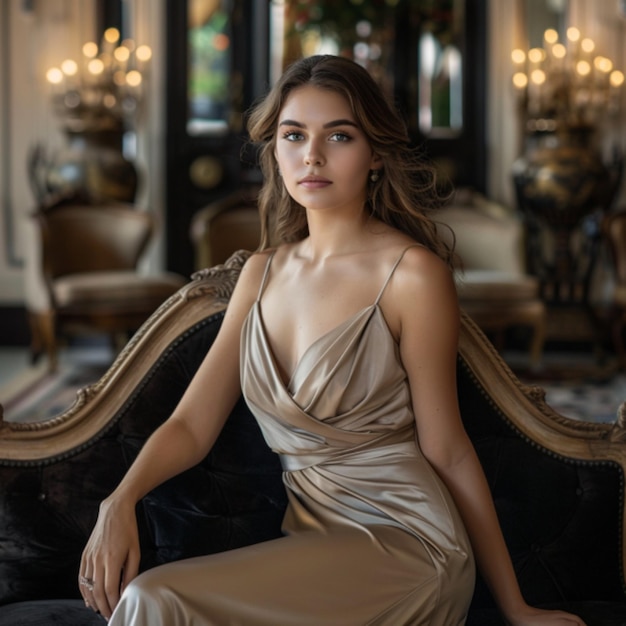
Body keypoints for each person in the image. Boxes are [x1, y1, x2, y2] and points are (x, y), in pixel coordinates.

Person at [79, 54, 586, 625]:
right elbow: (191, 425)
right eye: (293, 135)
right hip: (313, 542)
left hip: (412, 543)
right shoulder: (260, 273)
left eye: (338, 136)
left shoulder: (411, 275)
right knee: (150, 597)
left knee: (153, 599)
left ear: (374, 155)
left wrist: (516, 608)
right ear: (275, 151)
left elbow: (448, 449)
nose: (312, 155)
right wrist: (117, 501)